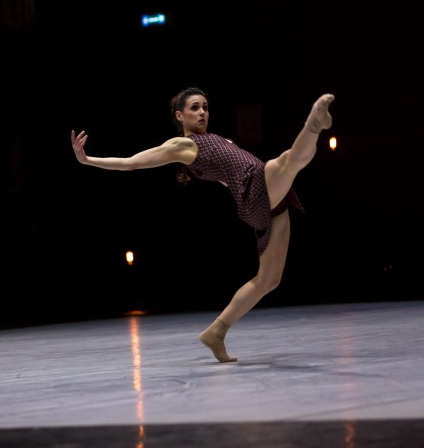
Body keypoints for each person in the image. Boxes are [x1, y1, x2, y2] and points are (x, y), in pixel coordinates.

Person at [70, 87, 335, 362]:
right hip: (255, 188)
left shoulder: (215, 140)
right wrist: (88, 160)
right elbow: (131, 163)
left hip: (265, 200)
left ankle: (216, 332)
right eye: (195, 108)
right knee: (288, 162)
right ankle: (314, 124)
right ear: (179, 115)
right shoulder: (183, 145)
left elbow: (225, 174)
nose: (202, 112)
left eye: (205, 107)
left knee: (268, 280)